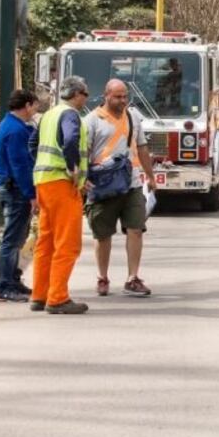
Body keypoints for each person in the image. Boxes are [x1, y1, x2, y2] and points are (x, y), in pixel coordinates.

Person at [84, 79, 157, 297]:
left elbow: (142, 148)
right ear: (106, 95)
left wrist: (150, 176)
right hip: (103, 187)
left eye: (125, 96)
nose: (123, 100)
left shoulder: (133, 116)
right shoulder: (91, 121)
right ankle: (102, 277)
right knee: (103, 235)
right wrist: (82, 179)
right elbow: (83, 154)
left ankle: (132, 278)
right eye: (118, 96)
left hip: (132, 184)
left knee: (136, 229)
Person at [30, 76, 90, 315]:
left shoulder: (48, 115)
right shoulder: (70, 115)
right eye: (85, 94)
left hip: (43, 182)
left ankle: (40, 294)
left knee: (46, 241)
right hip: (61, 184)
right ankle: (57, 298)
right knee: (68, 242)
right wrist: (72, 168)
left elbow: (33, 144)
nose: (86, 99)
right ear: (77, 94)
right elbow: (71, 140)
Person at [0, 89, 40, 302]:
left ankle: (13, 279)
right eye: (35, 106)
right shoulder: (17, 131)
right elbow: (20, 165)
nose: (36, 111)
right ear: (28, 105)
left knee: (18, 238)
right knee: (12, 240)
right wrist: (31, 194)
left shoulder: (10, 126)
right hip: (16, 190)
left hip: (12, 188)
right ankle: (4, 285)